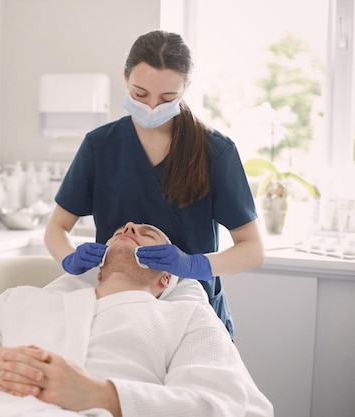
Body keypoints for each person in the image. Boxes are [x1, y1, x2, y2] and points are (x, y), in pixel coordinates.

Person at [0, 222, 273, 417]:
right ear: (97, 268)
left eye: (149, 234)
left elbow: (227, 405)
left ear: (166, 276)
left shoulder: (183, 318)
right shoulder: (21, 301)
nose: (129, 227)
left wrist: (101, 394)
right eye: (121, 230)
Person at [44, 30, 264, 337]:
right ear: (125, 78)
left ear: (185, 88)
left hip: (191, 311)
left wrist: (193, 265)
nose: (151, 107)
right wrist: (68, 258)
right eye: (140, 94)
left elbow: (252, 249)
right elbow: (57, 228)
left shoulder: (215, 151)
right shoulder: (100, 146)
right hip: (116, 306)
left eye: (167, 98)